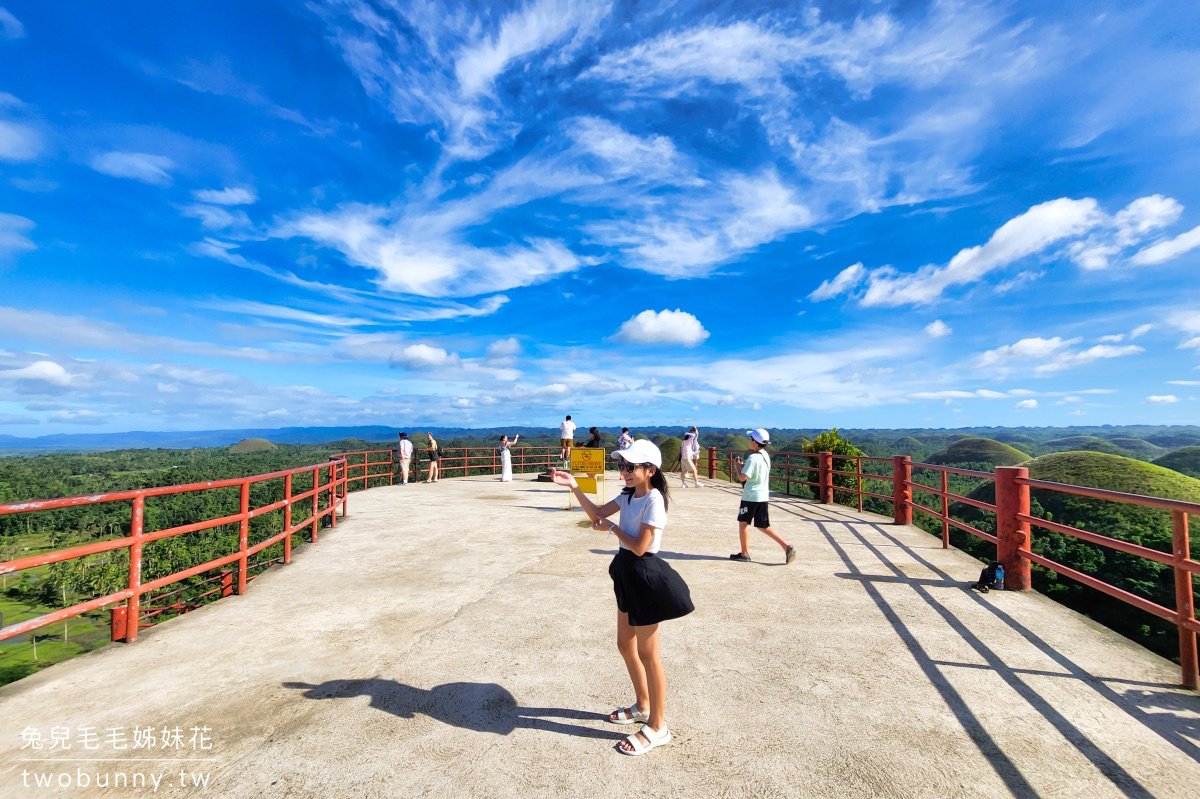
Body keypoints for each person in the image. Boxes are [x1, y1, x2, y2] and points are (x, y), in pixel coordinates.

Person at [549, 439, 692, 756]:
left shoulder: (654, 500)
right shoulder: (628, 494)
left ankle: (658, 726)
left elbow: (641, 546)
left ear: (650, 470)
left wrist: (612, 529)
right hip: (626, 570)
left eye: (631, 467)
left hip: (644, 573)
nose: (624, 472)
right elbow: (598, 513)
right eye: (622, 466)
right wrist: (574, 486)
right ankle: (643, 705)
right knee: (625, 645)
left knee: (649, 653)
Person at [730, 428, 795, 565]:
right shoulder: (765, 455)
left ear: (754, 442)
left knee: (743, 523)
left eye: (750, 438)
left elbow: (742, 477)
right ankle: (786, 546)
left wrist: (737, 466)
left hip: (750, 496)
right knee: (763, 525)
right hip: (763, 495)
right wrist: (744, 466)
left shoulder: (752, 458)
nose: (749, 440)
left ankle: (744, 553)